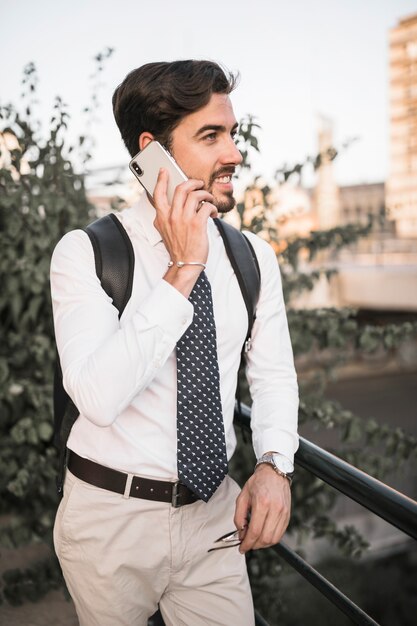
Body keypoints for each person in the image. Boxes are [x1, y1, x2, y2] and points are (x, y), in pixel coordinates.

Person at [51, 60, 299, 626]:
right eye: (211, 136)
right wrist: (183, 269)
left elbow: (274, 377)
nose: (233, 153)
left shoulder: (252, 257)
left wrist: (274, 465)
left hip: (215, 519)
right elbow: (98, 396)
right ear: (152, 150)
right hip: (109, 522)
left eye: (231, 133)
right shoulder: (85, 253)